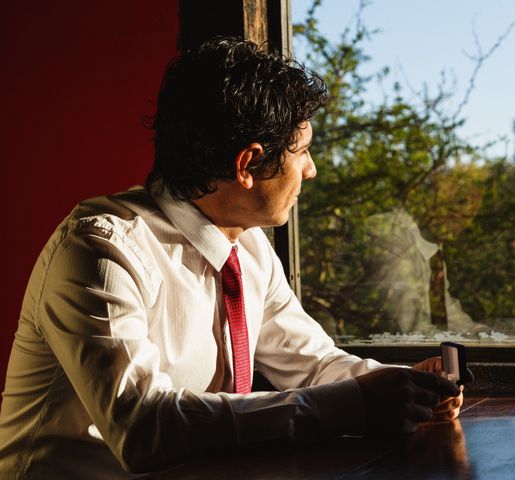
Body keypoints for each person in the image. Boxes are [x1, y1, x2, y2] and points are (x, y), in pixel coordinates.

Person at [0, 38, 464, 479]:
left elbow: (314, 363)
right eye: (302, 151)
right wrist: (353, 405)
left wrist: (403, 388)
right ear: (248, 164)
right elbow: (142, 427)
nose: (311, 169)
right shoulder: (100, 249)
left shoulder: (250, 249)